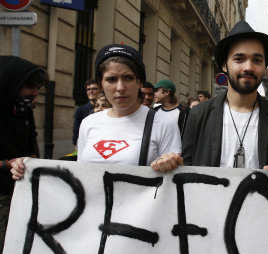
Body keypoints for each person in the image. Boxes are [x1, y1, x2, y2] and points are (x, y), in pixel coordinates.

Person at [12, 44, 182, 176]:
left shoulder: (163, 123)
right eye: (111, 79)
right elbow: (80, 174)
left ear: (139, 82)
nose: (120, 87)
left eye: (128, 78)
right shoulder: (89, 123)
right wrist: (26, 168)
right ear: (101, 84)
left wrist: (172, 163)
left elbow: (174, 180)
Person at [157, 21, 268, 176]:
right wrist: (171, 163)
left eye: (257, 60)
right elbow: (186, 169)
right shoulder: (198, 114)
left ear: (265, 67)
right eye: (239, 59)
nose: (248, 67)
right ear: (224, 65)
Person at [0, 55, 48, 254]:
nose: (35, 94)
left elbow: (31, 145)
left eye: (38, 88)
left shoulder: (24, 111)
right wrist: (8, 164)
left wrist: (31, 161)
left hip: (21, 191)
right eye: (31, 88)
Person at [72, 79, 101, 147]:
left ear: (101, 91)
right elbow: (76, 130)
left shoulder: (107, 109)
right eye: (88, 89)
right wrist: (75, 145)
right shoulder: (80, 110)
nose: (91, 91)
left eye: (94, 89)